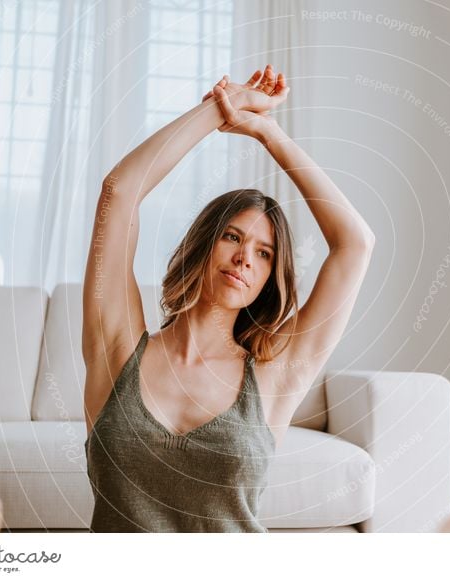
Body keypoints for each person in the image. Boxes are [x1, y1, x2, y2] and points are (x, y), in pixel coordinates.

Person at [81, 64, 376, 532]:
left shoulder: (274, 374)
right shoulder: (118, 350)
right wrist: (218, 109)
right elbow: (119, 192)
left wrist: (266, 131)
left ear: (268, 280)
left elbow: (355, 244)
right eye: (233, 238)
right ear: (204, 245)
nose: (244, 258)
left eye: (264, 253)